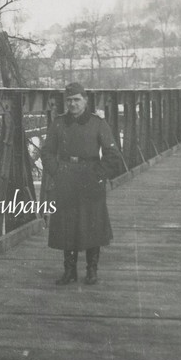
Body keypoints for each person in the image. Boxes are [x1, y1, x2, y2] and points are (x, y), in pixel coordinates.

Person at [41, 82, 123, 285]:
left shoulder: (97, 123)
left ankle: (92, 270)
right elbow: (47, 152)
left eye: (77, 100)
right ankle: (69, 271)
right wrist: (57, 172)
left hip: (90, 178)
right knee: (67, 225)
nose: (72, 104)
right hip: (66, 178)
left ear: (85, 101)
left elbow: (113, 154)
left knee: (92, 224)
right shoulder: (58, 123)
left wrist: (99, 174)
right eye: (69, 100)